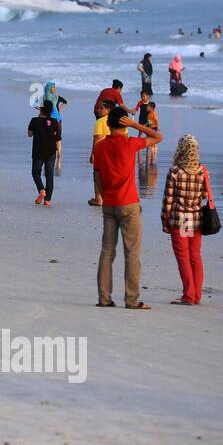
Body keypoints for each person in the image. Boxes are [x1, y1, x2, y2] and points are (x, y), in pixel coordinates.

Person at [93, 106, 163, 309]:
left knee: (107, 252)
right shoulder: (130, 143)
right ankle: (132, 299)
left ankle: (104, 298)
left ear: (108, 124)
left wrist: (104, 197)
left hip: (110, 203)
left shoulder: (99, 147)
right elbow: (158, 137)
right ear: (124, 124)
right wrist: (135, 124)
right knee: (131, 253)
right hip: (129, 203)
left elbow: (97, 176)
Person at [161, 134, 211, 305]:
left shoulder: (175, 172)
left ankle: (188, 295)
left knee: (183, 257)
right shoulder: (203, 171)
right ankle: (196, 295)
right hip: (196, 217)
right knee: (195, 256)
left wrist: (164, 220)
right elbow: (204, 195)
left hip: (181, 218)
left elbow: (168, 199)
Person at [27, 102, 60, 206]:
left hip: (38, 151)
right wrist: (59, 154)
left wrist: (38, 121)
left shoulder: (34, 121)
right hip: (51, 151)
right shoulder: (55, 121)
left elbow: (29, 134)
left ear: (41, 110)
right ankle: (47, 200)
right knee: (49, 175)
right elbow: (57, 138)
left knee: (36, 172)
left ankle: (41, 190)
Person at [88, 99, 113, 206]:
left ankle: (98, 198)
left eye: (101, 108)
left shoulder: (100, 121)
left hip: (102, 152)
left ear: (108, 110)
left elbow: (98, 138)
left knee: (98, 175)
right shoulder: (117, 121)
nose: (98, 110)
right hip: (114, 152)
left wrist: (93, 153)